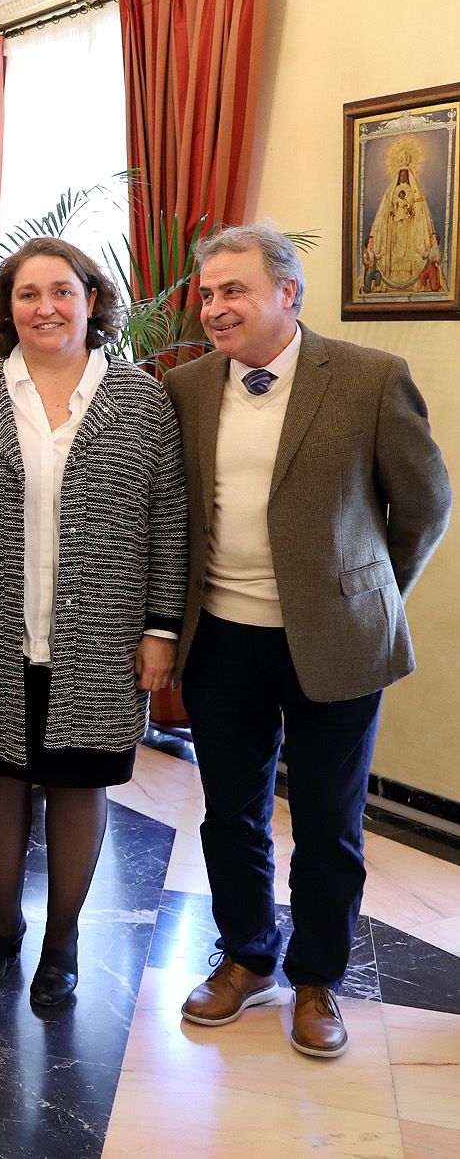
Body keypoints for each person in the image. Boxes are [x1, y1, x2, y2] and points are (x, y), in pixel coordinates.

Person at [167, 222, 450, 1058]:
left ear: (288, 294)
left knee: (328, 821)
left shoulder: (369, 378)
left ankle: (319, 975)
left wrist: (370, 595)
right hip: (220, 638)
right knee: (231, 813)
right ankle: (247, 957)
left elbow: (425, 504)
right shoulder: (183, 387)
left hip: (335, 643)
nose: (215, 307)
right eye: (208, 292)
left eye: (234, 291)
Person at [0, 237, 187, 1008]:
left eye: (62, 291)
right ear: (7, 309)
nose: (46, 307)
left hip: (101, 636)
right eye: (28, 294)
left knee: (77, 782)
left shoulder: (141, 399)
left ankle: (62, 937)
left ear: (92, 300)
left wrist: (160, 629)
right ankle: (2, 926)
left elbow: (169, 520)